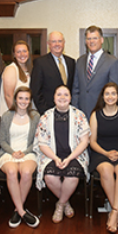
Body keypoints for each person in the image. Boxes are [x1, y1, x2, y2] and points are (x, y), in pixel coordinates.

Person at [34, 85, 90, 223]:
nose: (62, 97)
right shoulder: (46, 116)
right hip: (52, 155)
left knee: (72, 177)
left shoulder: (79, 115)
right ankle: (66, 202)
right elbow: (42, 143)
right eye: (59, 94)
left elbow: (84, 141)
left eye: (66, 94)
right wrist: (55, 158)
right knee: (49, 177)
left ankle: (59, 205)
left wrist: (70, 158)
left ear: (70, 98)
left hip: (74, 155)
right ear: (54, 97)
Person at [89, 83, 118, 234]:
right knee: (107, 171)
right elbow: (92, 141)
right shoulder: (95, 115)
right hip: (101, 153)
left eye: (113, 93)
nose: (110, 97)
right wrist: (107, 153)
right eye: (107, 94)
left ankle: (114, 211)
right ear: (102, 96)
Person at [0, 87, 41, 228]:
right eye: (20, 98)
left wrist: (25, 152)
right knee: (12, 172)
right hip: (8, 152)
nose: (23, 101)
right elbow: (2, 140)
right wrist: (13, 152)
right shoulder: (7, 116)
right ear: (15, 99)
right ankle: (22, 211)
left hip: (29, 152)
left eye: (26, 98)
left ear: (30, 101)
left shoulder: (35, 116)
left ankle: (17, 211)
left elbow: (37, 141)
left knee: (26, 172)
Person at [72, 25, 118, 118]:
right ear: (86, 41)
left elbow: (115, 92)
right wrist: (75, 111)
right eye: (89, 38)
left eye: (95, 38)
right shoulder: (80, 61)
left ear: (102, 40)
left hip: (103, 113)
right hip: (81, 115)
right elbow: (76, 89)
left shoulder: (112, 62)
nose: (92, 41)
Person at [31, 31, 76, 115]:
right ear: (48, 43)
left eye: (60, 41)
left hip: (69, 112)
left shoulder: (71, 62)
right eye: (54, 41)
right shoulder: (40, 63)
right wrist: (46, 112)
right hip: (48, 112)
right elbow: (36, 91)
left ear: (64, 43)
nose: (57, 44)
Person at [0, 40, 33, 116]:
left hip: (24, 114)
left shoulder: (29, 70)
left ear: (28, 53)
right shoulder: (11, 69)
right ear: (14, 54)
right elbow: (8, 96)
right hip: (13, 115)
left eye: (24, 51)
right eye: (18, 52)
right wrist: (17, 115)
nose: (22, 54)